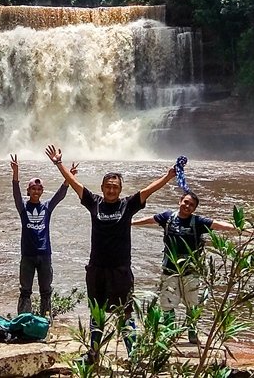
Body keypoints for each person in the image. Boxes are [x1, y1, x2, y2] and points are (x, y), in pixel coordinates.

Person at [44, 144, 177, 363]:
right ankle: (93, 354)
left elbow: (150, 189)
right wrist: (59, 163)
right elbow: (76, 184)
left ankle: (133, 354)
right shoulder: (94, 202)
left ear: (120, 188)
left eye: (115, 186)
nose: (112, 190)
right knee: (97, 312)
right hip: (96, 268)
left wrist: (168, 176)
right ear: (103, 187)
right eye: (108, 186)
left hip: (120, 270)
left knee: (124, 312)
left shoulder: (128, 205)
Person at [133, 190, 236, 344]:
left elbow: (218, 225)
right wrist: (130, 222)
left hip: (191, 272)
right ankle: (169, 333)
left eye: (191, 205)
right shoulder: (167, 217)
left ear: (194, 209)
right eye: (186, 202)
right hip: (169, 271)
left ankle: (192, 335)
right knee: (167, 305)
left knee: (192, 305)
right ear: (180, 201)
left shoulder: (198, 222)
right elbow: (151, 219)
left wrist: (239, 228)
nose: (187, 206)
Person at [11, 153, 75, 316]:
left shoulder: (47, 207)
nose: (36, 191)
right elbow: (16, 194)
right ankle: (23, 320)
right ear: (29, 190)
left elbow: (60, 195)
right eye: (33, 188)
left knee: (46, 291)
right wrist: (15, 173)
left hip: (45, 254)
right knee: (25, 290)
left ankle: (45, 321)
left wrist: (69, 178)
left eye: (39, 189)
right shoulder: (23, 208)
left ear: (42, 191)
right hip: (27, 255)